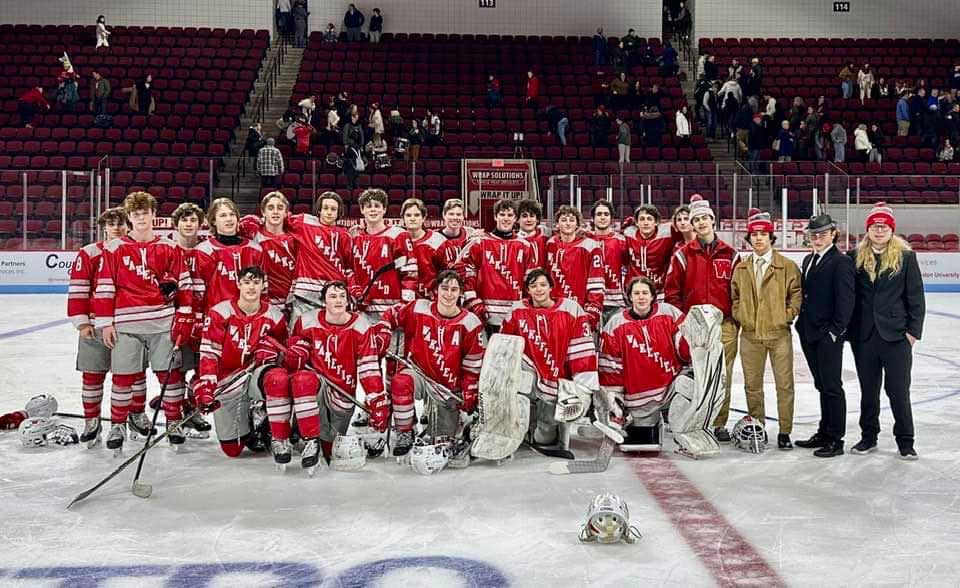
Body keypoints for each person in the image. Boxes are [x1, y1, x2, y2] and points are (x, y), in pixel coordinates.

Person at [93, 192, 194, 452]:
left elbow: (185, 285)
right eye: (135, 214)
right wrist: (106, 323)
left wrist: (184, 317)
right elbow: (104, 287)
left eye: (145, 213)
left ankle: (173, 422)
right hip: (126, 326)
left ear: (153, 215)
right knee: (123, 378)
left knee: (170, 378)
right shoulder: (114, 249)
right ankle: (118, 424)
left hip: (162, 324)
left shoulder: (170, 247)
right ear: (129, 217)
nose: (140, 218)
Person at [374, 270, 485, 455]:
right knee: (401, 382)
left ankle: (453, 425)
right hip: (419, 373)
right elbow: (390, 316)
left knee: (442, 442)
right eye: (445, 288)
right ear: (436, 290)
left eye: (454, 289)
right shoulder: (418, 308)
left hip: (448, 386)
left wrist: (469, 391)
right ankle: (405, 432)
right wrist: (384, 330)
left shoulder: (470, 323)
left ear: (460, 293)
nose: (449, 294)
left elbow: (473, 362)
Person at [846, 203, 925, 460]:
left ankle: (905, 440)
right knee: (869, 390)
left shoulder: (906, 257)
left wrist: (912, 333)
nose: (879, 230)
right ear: (867, 229)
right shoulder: (854, 256)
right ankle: (868, 437)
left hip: (896, 337)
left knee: (898, 391)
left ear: (891, 230)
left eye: (884, 226)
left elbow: (916, 298)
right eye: (874, 226)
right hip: (865, 337)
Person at [278, 281, 384, 467]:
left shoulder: (361, 325)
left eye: (342, 296)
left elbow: (369, 367)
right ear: (323, 301)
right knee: (303, 380)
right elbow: (293, 363)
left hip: (343, 394)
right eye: (333, 296)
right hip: (316, 386)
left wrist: (376, 399)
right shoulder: (307, 321)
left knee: (329, 448)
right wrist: (296, 356)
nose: (338, 300)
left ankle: (313, 434)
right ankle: (307, 435)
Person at [663, 195, 739, 441]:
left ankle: (719, 423)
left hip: (724, 325)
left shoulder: (731, 254)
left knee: (722, 375)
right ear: (692, 225)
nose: (701, 222)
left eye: (705, 218)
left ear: (713, 220)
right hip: (693, 326)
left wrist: (735, 318)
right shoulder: (683, 255)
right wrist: (684, 322)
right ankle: (695, 420)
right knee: (695, 374)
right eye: (696, 219)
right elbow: (671, 293)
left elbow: (737, 292)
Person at [67, 208, 143, 447]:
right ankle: (92, 420)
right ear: (103, 227)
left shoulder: (135, 250)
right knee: (92, 374)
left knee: (134, 374)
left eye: (121, 223)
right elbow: (79, 288)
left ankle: (136, 415)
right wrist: (81, 322)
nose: (117, 228)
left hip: (127, 322)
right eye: (111, 223)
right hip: (94, 323)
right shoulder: (89, 253)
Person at [195, 266, 289, 458]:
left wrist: (273, 352)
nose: (251, 287)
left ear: (264, 286)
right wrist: (206, 386)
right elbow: (209, 354)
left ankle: (277, 432)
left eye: (256, 282)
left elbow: (284, 353)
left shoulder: (275, 315)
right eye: (246, 282)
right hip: (228, 380)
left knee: (277, 378)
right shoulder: (219, 313)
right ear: (238, 284)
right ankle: (248, 424)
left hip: (255, 374)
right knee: (232, 450)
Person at [500, 269, 599, 450]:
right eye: (533, 285)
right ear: (527, 290)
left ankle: (541, 431)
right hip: (526, 383)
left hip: (558, 385)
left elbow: (582, 350)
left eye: (543, 285)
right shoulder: (516, 311)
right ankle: (524, 428)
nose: (538, 289)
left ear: (551, 287)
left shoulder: (570, 309)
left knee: (544, 437)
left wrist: (582, 389)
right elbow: (504, 350)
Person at [731, 209, 802, 450]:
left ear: (771, 238)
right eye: (754, 234)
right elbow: (735, 296)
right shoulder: (741, 268)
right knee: (752, 385)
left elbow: (796, 296)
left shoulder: (787, 266)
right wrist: (742, 315)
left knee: (784, 385)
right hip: (750, 336)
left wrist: (785, 317)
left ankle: (784, 431)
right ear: (749, 239)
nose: (759, 238)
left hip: (779, 334)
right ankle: (757, 426)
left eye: (763, 234)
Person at [599, 276, 690, 448]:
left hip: (672, 386)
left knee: (691, 388)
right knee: (643, 441)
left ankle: (685, 430)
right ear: (630, 297)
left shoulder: (668, 312)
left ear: (652, 296)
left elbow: (686, 346)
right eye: (636, 293)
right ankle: (647, 423)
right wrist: (616, 403)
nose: (641, 297)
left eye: (645, 293)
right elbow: (610, 368)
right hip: (640, 400)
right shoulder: (615, 325)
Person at [794, 214, 855, 458]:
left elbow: (846, 301)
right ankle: (824, 431)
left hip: (827, 335)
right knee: (821, 385)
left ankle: (835, 439)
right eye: (813, 235)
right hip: (808, 332)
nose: (817, 238)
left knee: (832, 386)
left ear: (833, 234)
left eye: (822, 234)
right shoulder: (809, 259)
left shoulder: (841, 262)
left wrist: (834, 332)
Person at [458, 199, 537, 331]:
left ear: (516, 219)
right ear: (495, 216)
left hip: (514, 314)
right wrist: (473, 302)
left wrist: (526, 308)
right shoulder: (479, 242)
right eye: (502, 214)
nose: (506, 218)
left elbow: (530, 282)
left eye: (510, 215)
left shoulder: (525, 246)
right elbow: (467, 275)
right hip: (483, 313)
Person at [283, 191, 355, 323]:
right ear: (319, 210)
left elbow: (349, 267)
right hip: (304, 295)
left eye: (333, 209)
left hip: (333, 296)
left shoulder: (345, 235)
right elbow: (280, 215)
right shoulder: (304, 223)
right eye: (325, 208)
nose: (329, 212)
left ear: (339, 212)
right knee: (298, 337)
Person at [350, 189, 418, 321]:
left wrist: (404, 306)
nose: (373, 210)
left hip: (390, 310)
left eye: (377, 206)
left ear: (384, 209)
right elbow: (349, 269)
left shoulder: (398, 235)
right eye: (369, 206)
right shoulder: (355, 237)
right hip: (362, 310)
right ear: (362, 210)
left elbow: (410, 273)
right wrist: (352, 288)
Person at [193, 198, 265, 316]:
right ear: (213, 221)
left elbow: (263, 287)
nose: (229, 219)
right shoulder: (203, 251)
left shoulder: (255, 249)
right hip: (217, 317)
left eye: (232, 214)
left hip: (250, 316)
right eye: (223, 215)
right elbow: (198, 293)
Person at [544, 206, 605, 329]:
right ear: (557, 224)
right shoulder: (550, 244)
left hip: (579, 310)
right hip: (553, 311)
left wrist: (591, 312)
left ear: (577, 224)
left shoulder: (590, 246)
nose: (567, 223)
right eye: (564, 220)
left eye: (571, 220)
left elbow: (596, 284)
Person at [239, 192, 298, 311]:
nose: (275, 212)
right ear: (263, 212)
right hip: (261, 301)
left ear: (286, 213)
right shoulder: (253, 233)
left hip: (290, 302)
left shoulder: (294, 240)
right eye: (270, 208)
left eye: (280, 208)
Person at [588, 200, 630, 322]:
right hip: (591, 301)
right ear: (592, 218)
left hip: (617, 302)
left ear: (611, 218)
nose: (602, 217)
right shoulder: (584, 241)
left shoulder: (622, 241)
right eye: (599, 214)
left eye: (606, 214)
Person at [625, 204, 680, 292]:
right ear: (636, 222)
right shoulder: (628, 234)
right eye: (642, 219)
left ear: (656, 222)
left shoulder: (668, 233)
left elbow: (687, 234)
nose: (646, 223)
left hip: (660, 291)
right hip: (635, 291)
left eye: (649, 219)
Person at [401, 198, 445, 299]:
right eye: (408, 215)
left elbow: (446, 273)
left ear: (424, 217)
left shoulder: (437, 240)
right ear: (403, 218)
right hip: (403, 299)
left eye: (417, 215)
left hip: (430, 300)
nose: (412, 218)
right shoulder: (396, 241)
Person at [434, 198, 471, 271]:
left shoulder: (470, 235)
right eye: (451, 214)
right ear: (444, 215)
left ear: (463, 217)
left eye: (458, 214)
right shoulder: (434, 238)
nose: (455, 217)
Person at [517, 199, 548, 269]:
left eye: (532, 216)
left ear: (537, 219)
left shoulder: (545, 239)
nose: (528, 220)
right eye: (524, 216)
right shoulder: (513, 242)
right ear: (517, 219)